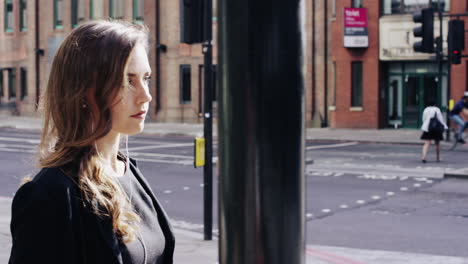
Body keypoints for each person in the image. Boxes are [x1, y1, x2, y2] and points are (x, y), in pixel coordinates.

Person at [9, 21, 174, 264]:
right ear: (84, 91)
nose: (145, 95)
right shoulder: (49, 195)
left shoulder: (128, 172)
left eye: (145, 78)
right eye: (127, 81)